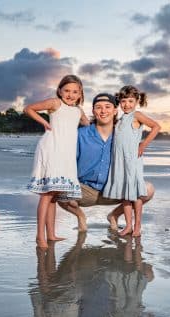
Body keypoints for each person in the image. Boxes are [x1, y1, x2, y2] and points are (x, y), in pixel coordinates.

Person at [58, 93, 155, 233]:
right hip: (85, 190)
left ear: (115, 110)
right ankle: (80, 216)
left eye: (108, 107)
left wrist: (142, 145)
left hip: (115, 189)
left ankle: (114, 215)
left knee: (148, 189)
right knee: (58, 190)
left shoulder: (122, 134)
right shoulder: (80, 134)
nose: (103, 111)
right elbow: (67, 161)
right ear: (93, 111)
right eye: (98, 107)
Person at [25, 75, 90, 248]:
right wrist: (44, 123)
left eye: (75, 91)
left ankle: (51, 234)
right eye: (67, 90)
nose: (70, 94)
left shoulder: (78, 111)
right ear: (60, 90)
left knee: (54, 196)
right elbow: (29, 109)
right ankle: (40, 237)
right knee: (47, 194)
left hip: (66, 154)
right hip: (51, 149)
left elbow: (88, 125)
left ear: (80, 93)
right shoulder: (55, 103)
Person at [103, 86, 161, 237]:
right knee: (125, 194)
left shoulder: (137, 115)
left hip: (131, 160)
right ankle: (128, 226)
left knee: (135, 194)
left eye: (130, 101)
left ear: (137, 101)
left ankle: (137, 227)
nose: (127, 104)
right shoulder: (121, 119)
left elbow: (156, 127)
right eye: (123, 101)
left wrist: (143, 144)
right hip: (119, 160)